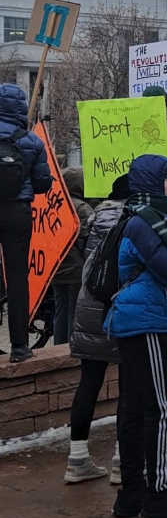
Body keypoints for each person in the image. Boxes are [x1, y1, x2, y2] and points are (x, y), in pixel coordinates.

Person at [105, 154, 167, 518]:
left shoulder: (144, 217)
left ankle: (132, 492)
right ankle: (159, 493)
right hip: (145, 321)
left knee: (133, 406)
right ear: (151, 182)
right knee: (160, 408)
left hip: (138, 318)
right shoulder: (146, 221)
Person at [66, 173, 130, 484]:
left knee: (88, 384)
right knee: (128, 388)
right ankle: (122, 461)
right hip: (120, 310)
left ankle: (77, 459)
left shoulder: (95, 220)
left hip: (88, 310)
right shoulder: (133, 220)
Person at [0, 83, 52, 362]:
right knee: (17, 277)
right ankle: (20, 346)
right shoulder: (31, 141)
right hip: (17, 212)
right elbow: (43, 184)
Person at [52, 168, 94, 345]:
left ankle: (58, 344)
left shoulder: (54, 203)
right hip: (76, 267)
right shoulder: (82, 207)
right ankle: (70, 347)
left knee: (60, 309)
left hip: (55, 266)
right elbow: (89, 235)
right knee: (74, 310)